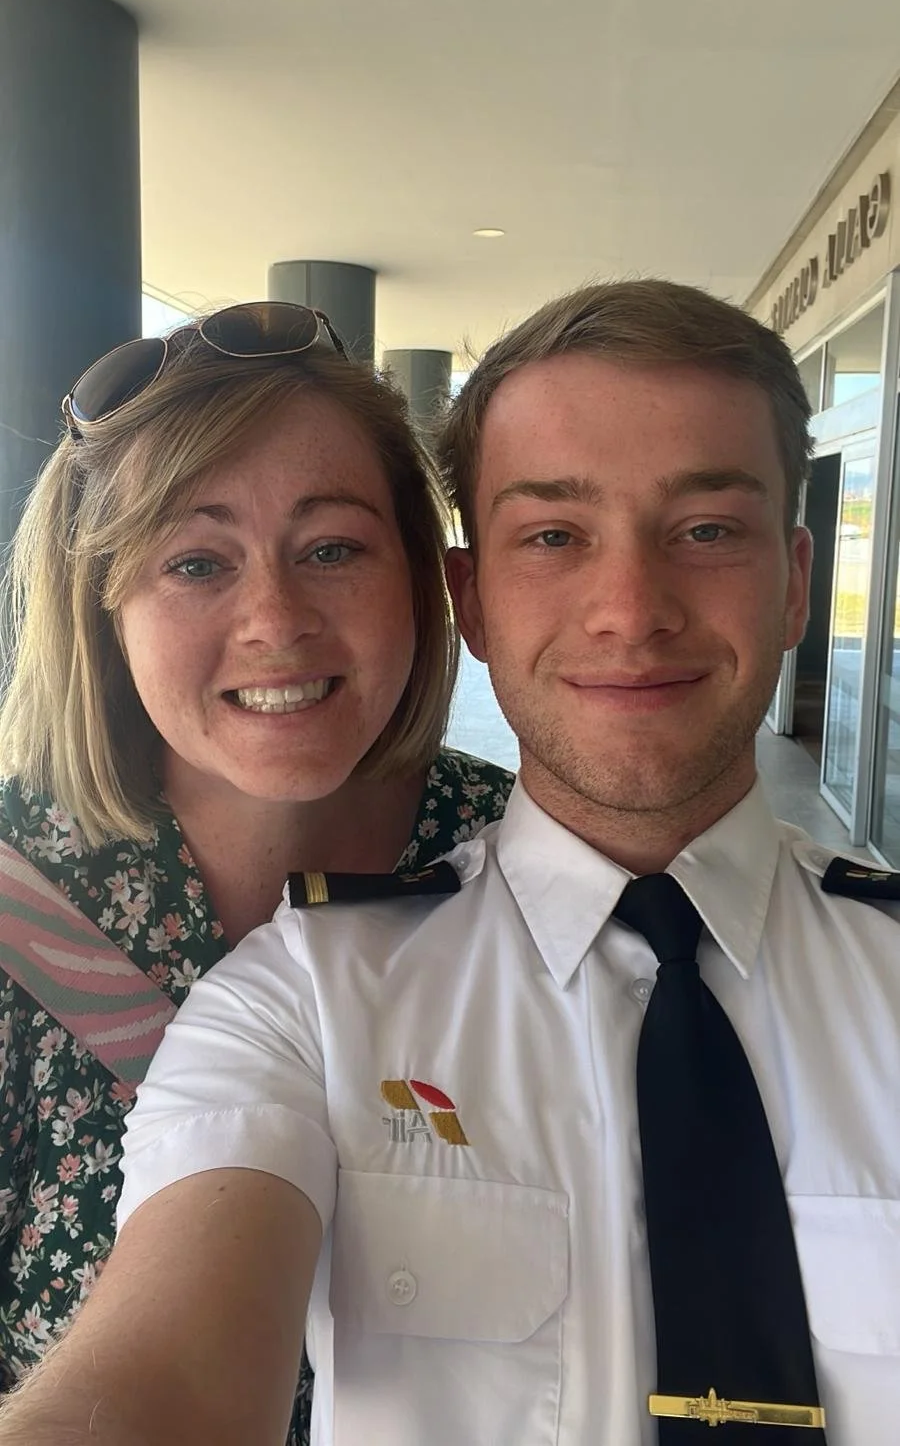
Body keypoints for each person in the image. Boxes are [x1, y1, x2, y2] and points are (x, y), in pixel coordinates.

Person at [2, 279, 899, 1446]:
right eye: (195, 563)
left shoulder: (484, 842)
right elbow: (155, 1382)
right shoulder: (301, 990)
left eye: (709, 530)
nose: (629, 610)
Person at [0, 301, 512, 1440]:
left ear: (423, 579)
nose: (275, 620)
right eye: (195, 561)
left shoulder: (529, 862)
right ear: (101, 605)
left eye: (332, 548)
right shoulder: (14, 891)